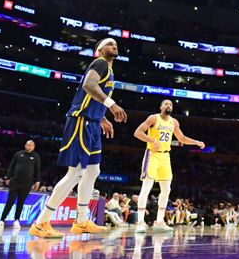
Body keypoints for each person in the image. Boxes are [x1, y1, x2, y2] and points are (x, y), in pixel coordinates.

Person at [29, 37, 127, 238]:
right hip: (80, 121)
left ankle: (82, 221)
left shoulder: (109, 71)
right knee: (75, 173)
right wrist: (111, 104)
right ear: (99, 50)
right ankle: (41, 222)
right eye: (109, 43)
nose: (114, 45)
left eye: (116, 44)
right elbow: (88, 86)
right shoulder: (99, 63)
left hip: (92, 122)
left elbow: (91, 98)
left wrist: (101, 118)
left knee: (93, 171)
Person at [133, 99, 205, 232]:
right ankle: (140, 221)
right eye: (166, 103)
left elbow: (182, 139)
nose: (168, 105)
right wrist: (151, 140)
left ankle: (159, 221)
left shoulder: (174, 122)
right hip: (152, 155)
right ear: (161, 106)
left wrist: (196, 142)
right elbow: (137, 133)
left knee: (166, 189)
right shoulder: (153, 118)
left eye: (171, 104)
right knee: (146, 188)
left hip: (166, 156)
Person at [0, 139, 41, 231]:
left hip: (27, 183)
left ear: (34, 147)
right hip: (15, 182)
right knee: (9, 202)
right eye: (28, 145)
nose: (29, 147)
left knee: (21, 202)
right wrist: (8, 177)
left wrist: (37, 181)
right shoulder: (18, 154)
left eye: (31, 145)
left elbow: (37, 170)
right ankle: (2, 221)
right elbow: (12, 166)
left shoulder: (36, 157)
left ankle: (16, 221)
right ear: (25, 145)